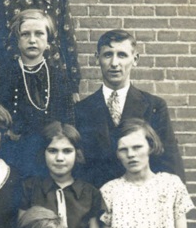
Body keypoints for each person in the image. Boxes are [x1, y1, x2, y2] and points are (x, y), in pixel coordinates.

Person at [74, 29, 185, 188]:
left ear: (135, 59)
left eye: (122, 55)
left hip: (143, 197)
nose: (114, 63)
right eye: (108, 55)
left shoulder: (154, 106)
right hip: (96, 197)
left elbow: (170, 163)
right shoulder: (81, 110)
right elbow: (77, 168)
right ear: (97, 58)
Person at [0, 8, 74, 176]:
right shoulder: (4, 76)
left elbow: (68, 120)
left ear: (48, 40)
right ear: (17, 40)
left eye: (39, 34)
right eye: (25, 34)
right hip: (13, 156)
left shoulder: (58, 77)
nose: (32, 40)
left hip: (50, 157)